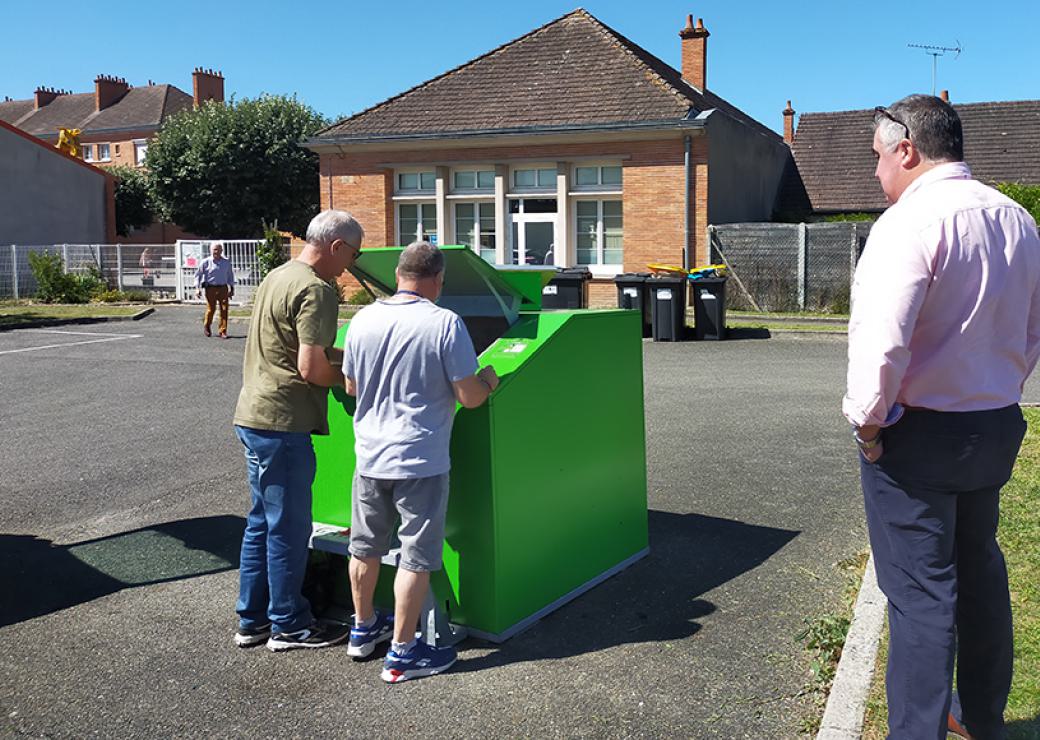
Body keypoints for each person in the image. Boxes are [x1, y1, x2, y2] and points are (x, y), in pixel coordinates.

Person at [844, 94, 1040, 739]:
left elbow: (882, 344)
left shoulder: (907, 225)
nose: (876, 174)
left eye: (878, 157)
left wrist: (868, 427)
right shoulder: (1017, 219)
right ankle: (981, 716)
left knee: (921, 596)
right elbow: (1031, 328)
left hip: (917, 434)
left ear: (907, 148)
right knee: (980, 569)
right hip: (995, 421)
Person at [342, 241, 500, 683]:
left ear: (397, 274)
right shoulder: (444, 322)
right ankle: (402, 651)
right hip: (420, 459)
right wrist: (489, 379)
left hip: (370, 456)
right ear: (438, 279)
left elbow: (352, 386)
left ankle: (362, 629)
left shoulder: (363, 318)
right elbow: (469, 397)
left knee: (365, 546)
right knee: (416, 555)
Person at [232, 209, 364, 652]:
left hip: (254, 415)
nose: (349, 267)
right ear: (337, 246)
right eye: (352, 256)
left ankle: (252, 620)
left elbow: (304, 347)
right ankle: (290, 624)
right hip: (285, 423)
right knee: (289, 527)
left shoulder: (280, 275)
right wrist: (352, 381)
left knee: (261, 524)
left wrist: (350, 355)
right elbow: (311, 367)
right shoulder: (317, 289)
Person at [195, 242, 235, 338]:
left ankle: (223, 330)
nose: (216, 252)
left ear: (221, 251)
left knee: (224, 309)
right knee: (211, 309)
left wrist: (232, 288)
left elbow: (230, 275)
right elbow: (198, 275)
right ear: (211, 251)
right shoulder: (205, 262)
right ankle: (207, 325)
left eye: (218, 250)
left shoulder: (226, 262)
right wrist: (197, 288)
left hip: (223, 288)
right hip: (210, 288)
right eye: (214, 250)